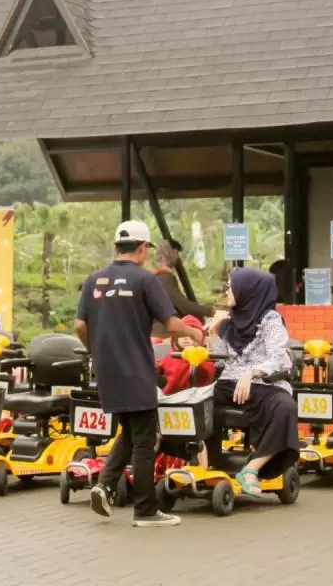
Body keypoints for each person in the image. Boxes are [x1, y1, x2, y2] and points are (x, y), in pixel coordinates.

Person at [75, 220, 205, 528]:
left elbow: (80, 326)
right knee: (146, 439)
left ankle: (105, 485)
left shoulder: (94, 280)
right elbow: (172, 324)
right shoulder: (146, 281)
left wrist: (95, 350)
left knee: (130, 432)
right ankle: (146, 510)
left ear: (116, 247)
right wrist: (196, 334)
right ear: (143, 249)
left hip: (107, 371)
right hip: (136, 370)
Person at [205, 268, 300, 496]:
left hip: (265, 382)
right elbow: (219, 362)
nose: (227, 291)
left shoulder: (271, 320)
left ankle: (251, 468)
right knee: (200, 401)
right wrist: (214, 331)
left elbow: (279, 357)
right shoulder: (230, 320)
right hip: (231, 382)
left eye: (231, 286)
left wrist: (252, 373)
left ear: (248, 291)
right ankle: (206, 464)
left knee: (286, 407)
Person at [153, 239, 214, 320]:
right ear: (169, 253)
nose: (177, 257)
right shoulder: (165, 277)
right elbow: (182, 305)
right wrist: (210, 311)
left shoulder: (156, 276)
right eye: (176, 253)